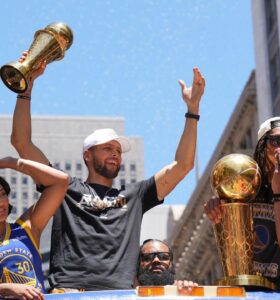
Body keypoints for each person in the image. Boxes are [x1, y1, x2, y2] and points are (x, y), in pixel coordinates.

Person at [10, 52, 205, 292]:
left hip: (120, 294)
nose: (115, 153)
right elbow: (22, 143)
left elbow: (182, 165)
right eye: (107, 148)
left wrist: (192, 110)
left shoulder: (136, 194)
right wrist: (25, 89)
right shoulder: (64, 187)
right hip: (71, 292)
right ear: (87, 155)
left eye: (118, 150)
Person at [204, 116, 280, 293]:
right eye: (276, 140)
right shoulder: (246, 186)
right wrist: (217, 207)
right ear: (263, 146)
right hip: (247, 291)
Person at [0, 156, 68, 299]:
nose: (1, 202)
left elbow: (60, 181)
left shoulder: (25, 229)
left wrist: (9, 163)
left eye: (3, 194)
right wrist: (7, 288)